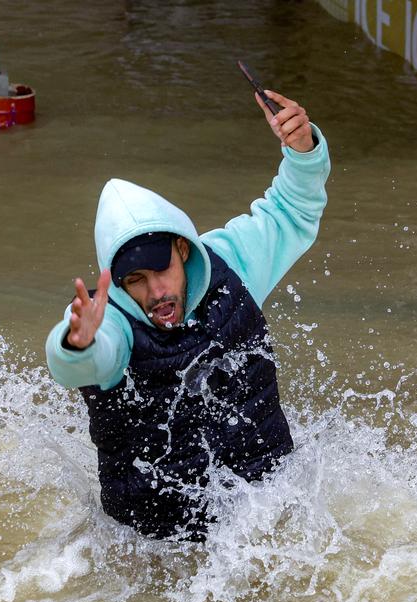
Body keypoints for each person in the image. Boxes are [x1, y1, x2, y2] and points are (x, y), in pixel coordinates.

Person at [45, 88, 330, 540]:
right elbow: (83, 362)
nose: (156, 291)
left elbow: (292, 212)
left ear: (183, 250)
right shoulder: (107, 320)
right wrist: (76, 344)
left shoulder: (231, 261)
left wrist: (302, 151)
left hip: (263, 515)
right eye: (136, 280)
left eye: (161, 270)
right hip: (153, 544)